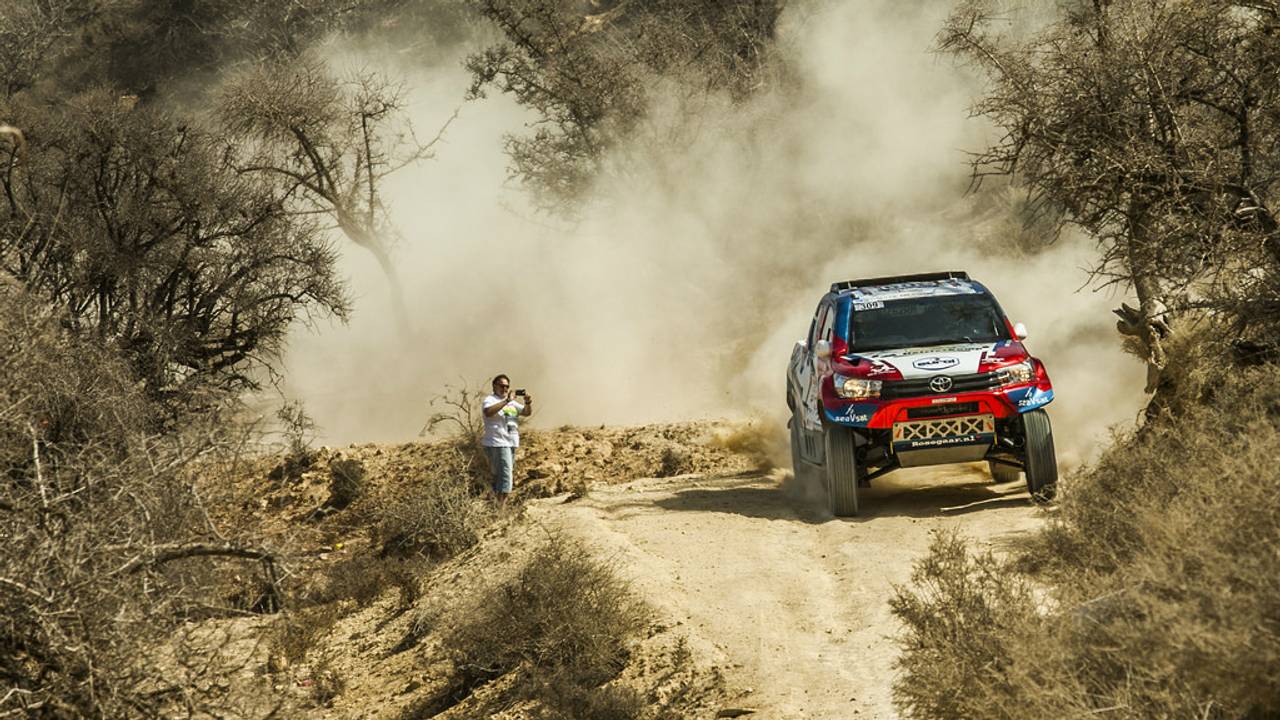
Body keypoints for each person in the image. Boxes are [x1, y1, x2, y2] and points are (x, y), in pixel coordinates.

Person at [481, 373, 533, 503]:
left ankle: (494, 506)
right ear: (494, 386)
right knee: (506, 477)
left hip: (510, 443)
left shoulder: (512, 403)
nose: (504, 389)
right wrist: (506, 401)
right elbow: (488, 412)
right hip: (498, 443)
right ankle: (501, 511)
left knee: (501, 476)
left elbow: (526, 412)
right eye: (501, 386)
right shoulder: (491, 400)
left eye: (507, 386)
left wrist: (527, 402)